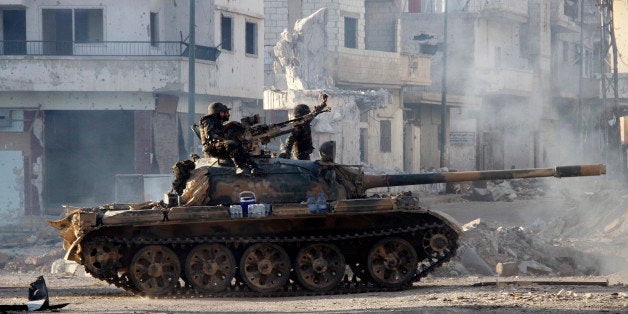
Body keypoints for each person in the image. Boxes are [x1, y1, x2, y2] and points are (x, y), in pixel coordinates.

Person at [199, 102, 263, 175]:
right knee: (230, 144)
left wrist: (231, 124)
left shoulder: (216, 121)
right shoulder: (208, 120)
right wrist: (224, 140)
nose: (228, 114)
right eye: (225, 112)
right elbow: (210, 135)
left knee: (239, 147)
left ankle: (254, 167)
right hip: (211, 148)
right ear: (218, 113)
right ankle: (239, 167)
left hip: (217, 146)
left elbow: (220, 130)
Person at [279, 94, 327, 160]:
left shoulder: (305, 122)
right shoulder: (297, 127)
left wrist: (323, 104)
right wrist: (286, 152)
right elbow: (290, 141)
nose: (308, 116)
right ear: (302, 115)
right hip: (300, 156)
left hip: (306, 154)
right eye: (306, 114)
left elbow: (314, 113)